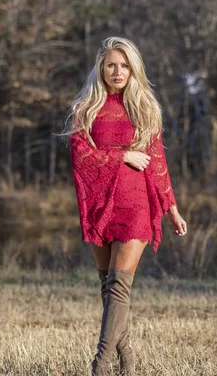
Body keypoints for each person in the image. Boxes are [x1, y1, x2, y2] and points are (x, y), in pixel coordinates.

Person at [64, 36, 187, 375]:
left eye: (124, 65)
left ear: (134, 69)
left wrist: (171, 207)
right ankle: (127, 360)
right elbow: (81, 156)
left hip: (136, 205)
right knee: (108, 287)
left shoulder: (145, 108)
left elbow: (158, 162)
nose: (118, 72)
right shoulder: (85, 109)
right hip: (101, 205)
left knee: (119, 285)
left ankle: (100, 365)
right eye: (111, 65)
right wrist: (122, 156)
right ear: (100, 68)